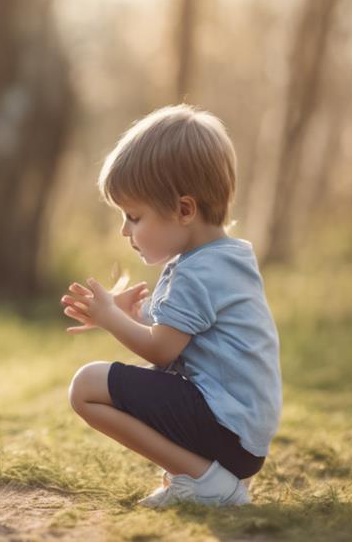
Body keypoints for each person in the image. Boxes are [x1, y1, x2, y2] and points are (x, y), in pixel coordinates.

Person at [62, 104, 282, 507]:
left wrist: (111, 318)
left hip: (227, 429)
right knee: (119, 384)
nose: (124, 230)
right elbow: (188, 336)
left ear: (184, 210)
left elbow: (161, 349)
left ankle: (202, 480)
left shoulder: (199, 273)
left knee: (86, 388)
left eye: (134, 216)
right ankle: (204, 477)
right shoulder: (218, 259)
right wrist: (135, 315)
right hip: (239, 432)